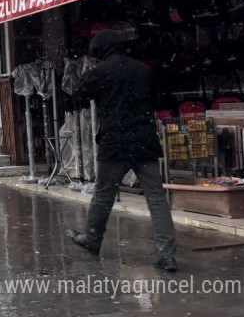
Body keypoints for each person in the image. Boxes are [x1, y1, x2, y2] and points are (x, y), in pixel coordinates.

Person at [68, 29, 177, 272]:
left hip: (114, 143)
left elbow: (77, 97)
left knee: (104, 195)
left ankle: (92, 239)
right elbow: (159, 100)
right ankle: (166, 254)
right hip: (144, 141)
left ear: (100, 52)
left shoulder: (100, 72)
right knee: (156, 198)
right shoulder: (142, 69)